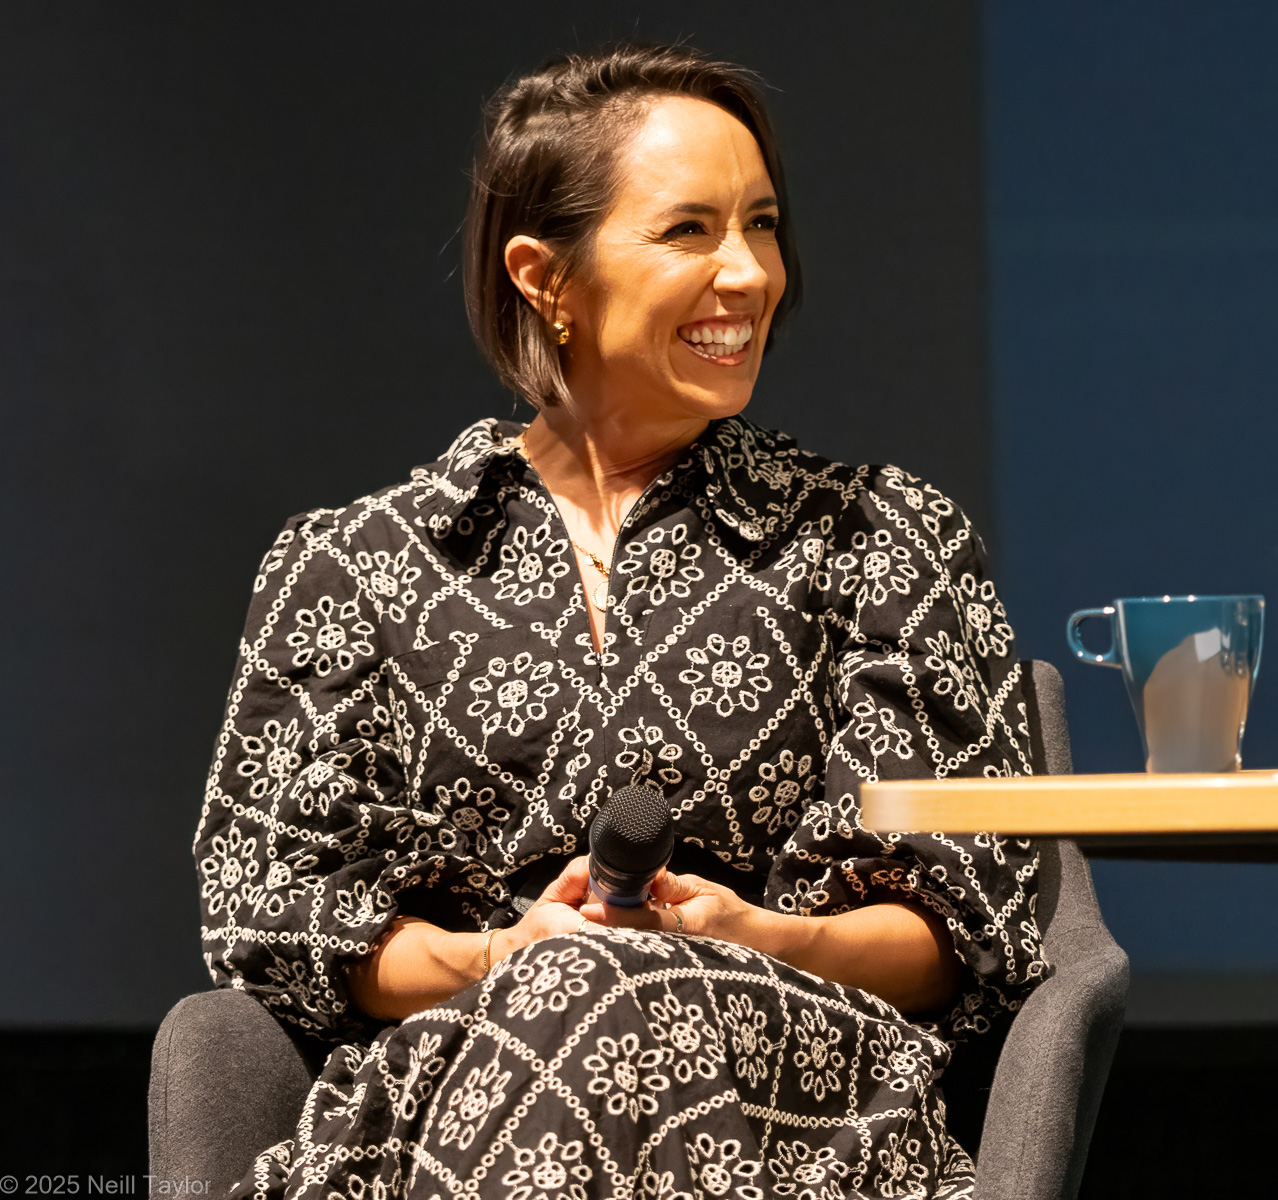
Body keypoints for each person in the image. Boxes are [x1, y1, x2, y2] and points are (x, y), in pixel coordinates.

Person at [197, 41, 1047, 1200]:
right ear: (545, 278)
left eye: (762, 225)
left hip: (796, 1113)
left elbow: (966, 916)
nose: (748, 274)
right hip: (458, 1103)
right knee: (570, 990)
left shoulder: (881, 537)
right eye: (689, 231)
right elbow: (270, 911)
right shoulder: (355, 566)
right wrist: (500, 958)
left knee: (606, 996)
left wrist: (754, 937)